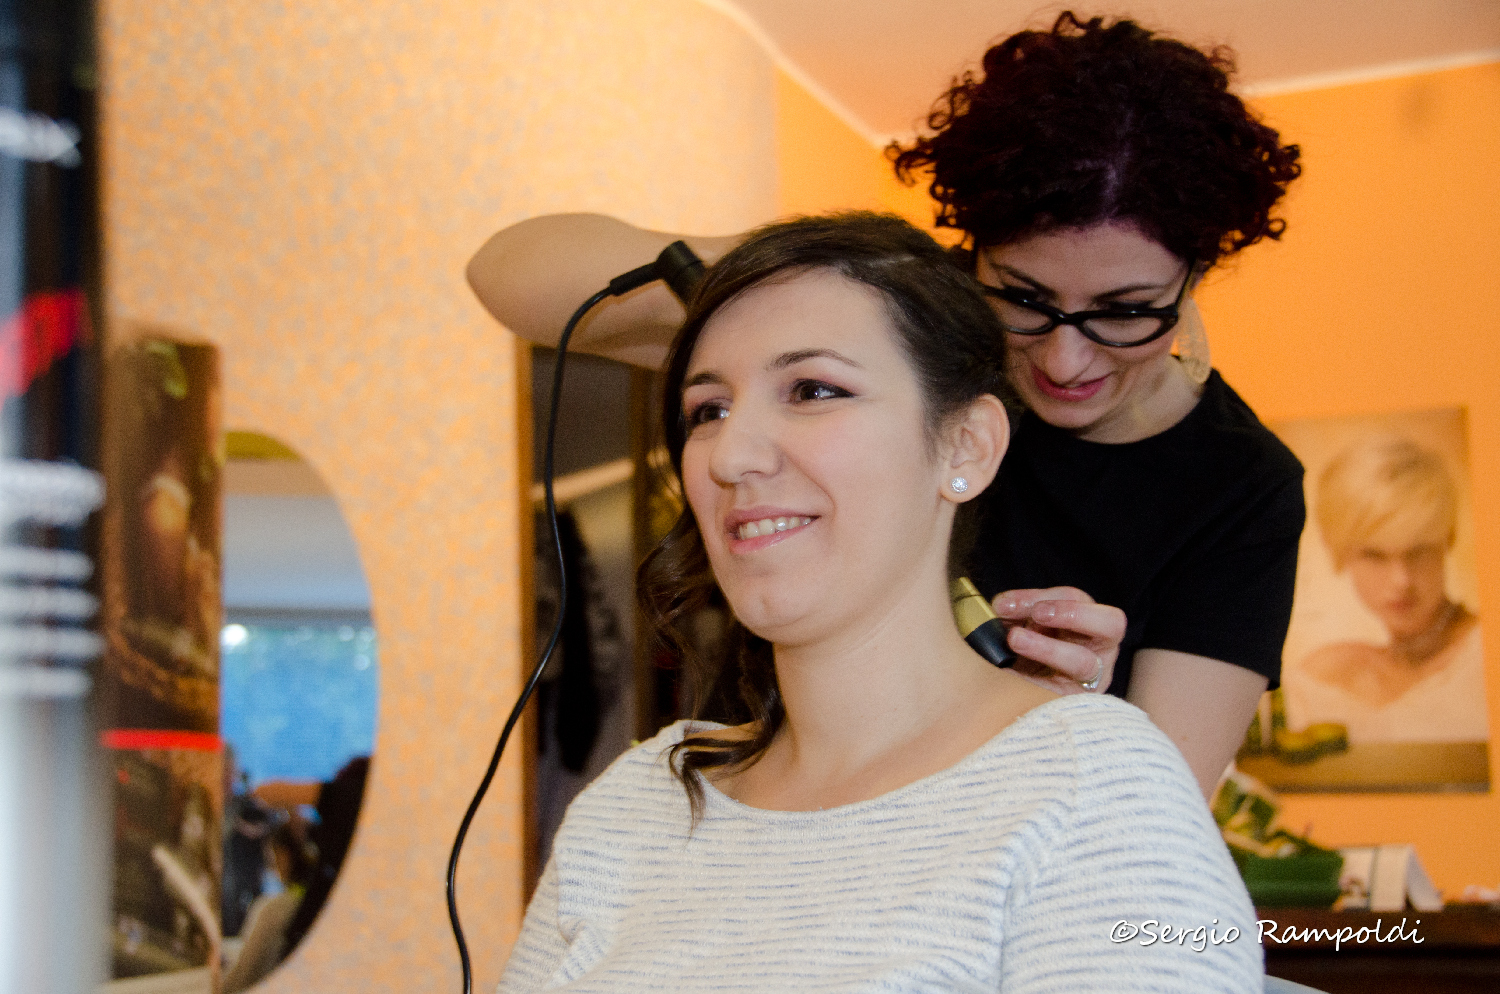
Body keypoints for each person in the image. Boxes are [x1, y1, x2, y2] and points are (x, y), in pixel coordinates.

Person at [467, 12, 1305, 795]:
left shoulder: (1241, 486)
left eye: (1124, 312)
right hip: (755, 805)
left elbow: (1155, 813)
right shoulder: (898, 333)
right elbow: (507, 274)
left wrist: (1065, 721)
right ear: (975, 250)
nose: (1065, 358)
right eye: (1024, 298)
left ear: (1196, 274)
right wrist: (799, 274)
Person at [498, 214, 1259, 992]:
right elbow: (502, 271)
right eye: (708, 411)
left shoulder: (1095, 792)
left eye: (814, 390)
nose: (731, 455)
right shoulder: (635, 804)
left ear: (966, 445)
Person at [1287, 435, 1487, 742]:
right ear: (1340, 553)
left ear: (1448, 539)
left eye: (1418, 550)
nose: (1401, 580)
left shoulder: (1484, 652)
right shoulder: (1322, 675)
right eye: (1375, 555)